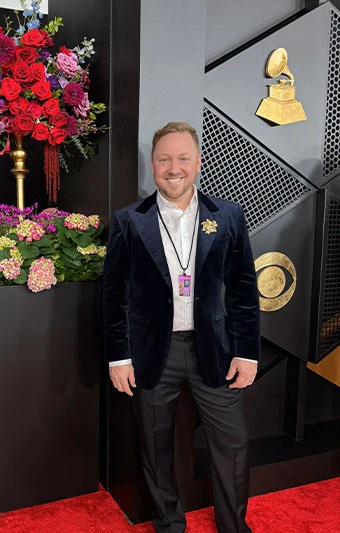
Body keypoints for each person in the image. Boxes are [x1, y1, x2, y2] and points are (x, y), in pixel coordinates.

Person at [102, 121, 260, 533]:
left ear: (198, 162)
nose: (174, 167)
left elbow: (244, 288)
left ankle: (233, 527)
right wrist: (118, 356)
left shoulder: (227, 215)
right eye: (164, 159)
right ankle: (169, 524)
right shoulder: (127, 220)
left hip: (217, 351)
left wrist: (247, 352)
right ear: (152, 165)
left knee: (234, 443)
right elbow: (113, 295)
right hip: (152, 352)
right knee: (155, 447)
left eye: (183, 158)